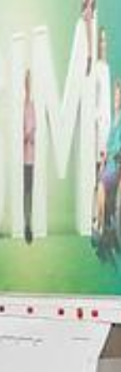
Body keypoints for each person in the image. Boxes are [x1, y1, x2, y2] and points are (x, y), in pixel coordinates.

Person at [95, 78, 121, 237]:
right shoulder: (111, 121)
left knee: (101, 186)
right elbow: (107, 148)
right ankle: (100, 222)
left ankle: (99, 224)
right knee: (99, 186)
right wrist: (102, 161)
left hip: (116, 165)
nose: (115, 100)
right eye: (114, 97)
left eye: (118, 97)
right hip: (107, 163)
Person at [92, 27, 112, 195]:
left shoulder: (106, 68)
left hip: (106, 134)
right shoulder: (96, 68)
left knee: (104, 179)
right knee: (96, 177)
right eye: (100, 41)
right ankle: (93, 217)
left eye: (105, 41)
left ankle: (101, 217)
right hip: (97, 133)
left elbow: (107, 104)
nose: (103, 44)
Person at [22, 70, 35, 245]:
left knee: (29, 191)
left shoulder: (32, 106)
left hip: (30, 157)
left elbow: (34, 130)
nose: (27, 84)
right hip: (20, 157)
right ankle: (24, 223)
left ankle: (28, 223)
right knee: (23, 190)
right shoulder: (20, 106)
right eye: (26, 81)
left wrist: (28, 136)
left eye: (29, 81)